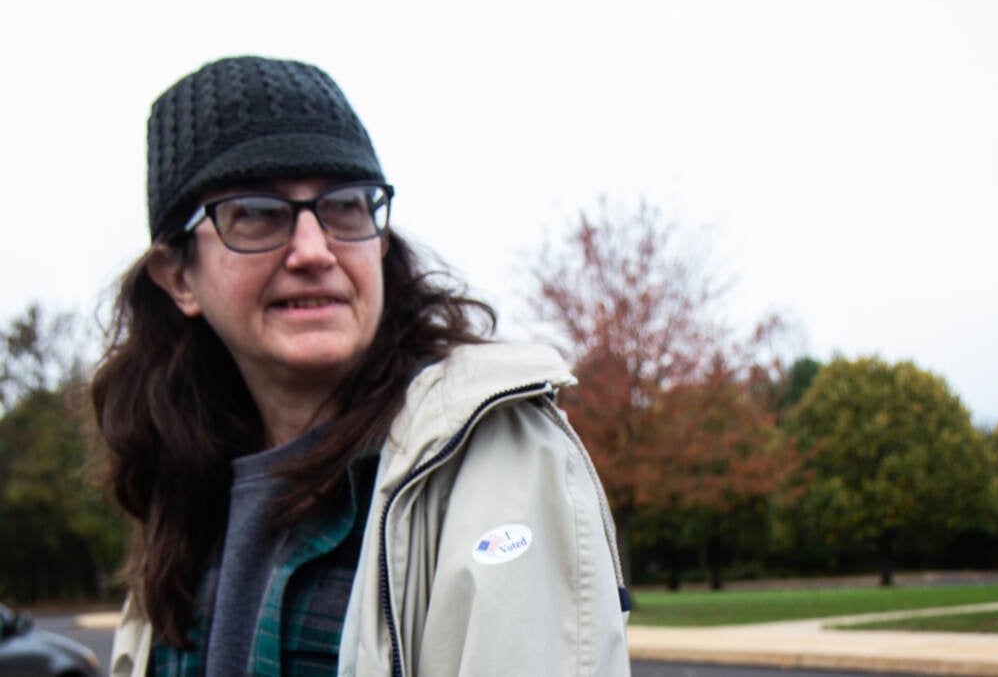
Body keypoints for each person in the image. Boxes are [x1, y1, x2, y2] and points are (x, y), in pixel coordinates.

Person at [93, 55, 630, 677]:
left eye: (345, 205)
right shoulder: (179, 486)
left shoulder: (490, 456)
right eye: (257, 213)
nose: (313, 250)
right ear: (179, 277)